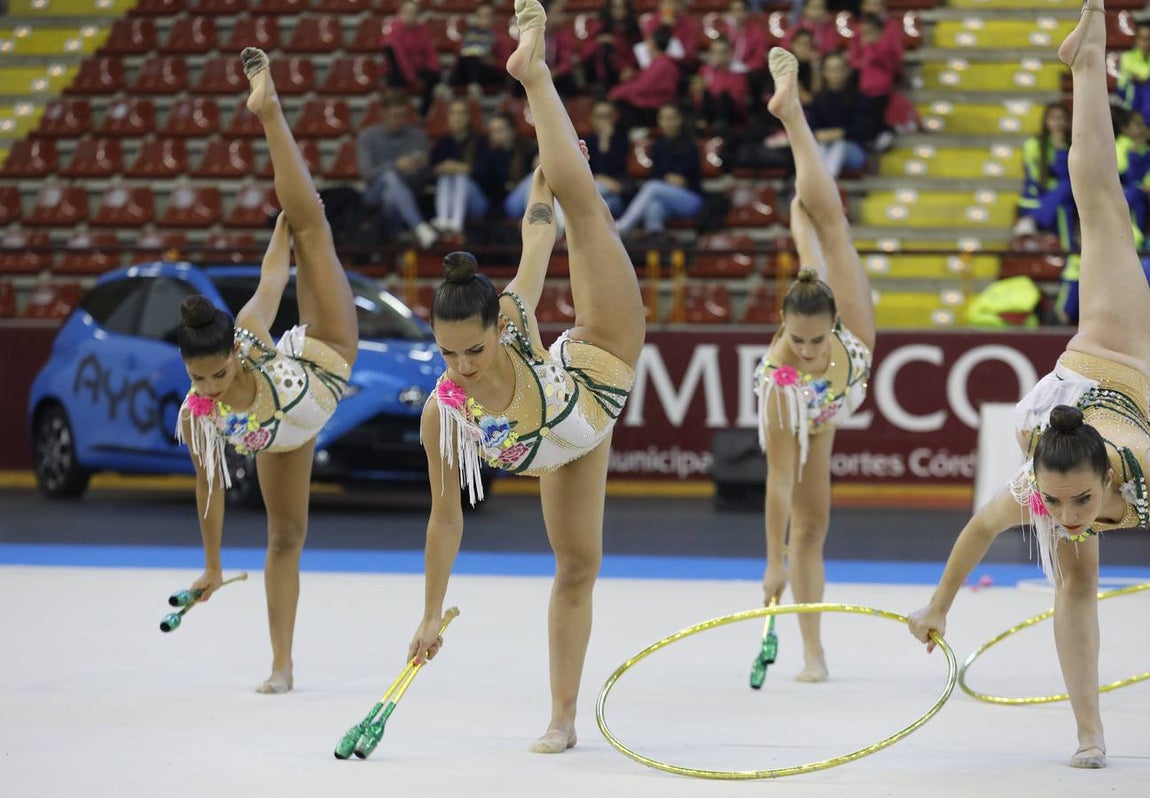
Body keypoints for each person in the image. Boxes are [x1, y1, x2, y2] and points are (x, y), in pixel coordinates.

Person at [908, 3, 1150, 770]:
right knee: (1074, 583)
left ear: (1107, 478)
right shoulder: (1044, 492)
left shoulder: (1131, 468)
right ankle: (1090, 733)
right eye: (1055, 503)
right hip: (1088, 399)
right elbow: (978, 531)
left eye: (1076, 502)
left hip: (1115, 349)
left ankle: (1088, 61)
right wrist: (937, 607)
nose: (1067, 517)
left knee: (1102, 204)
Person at [407, 0, 645, 754]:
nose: (462, 367)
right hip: (567, 447)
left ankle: (533, 73)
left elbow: (538, 242)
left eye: (473, 352)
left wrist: (544, 186)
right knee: (576, 570)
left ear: (492, 331)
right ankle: (563, 718)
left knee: (583, 207)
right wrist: (430, 612)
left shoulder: (509, 315)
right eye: (448, 355)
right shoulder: (442, 414)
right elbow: (445, 519)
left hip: (602, 360)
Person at [176, 48, 359, 694]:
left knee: (312, 226)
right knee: (285, 536)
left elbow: (272, 279)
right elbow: (210, 490)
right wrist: (211, 565)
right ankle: (282, 666)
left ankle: (269, 109)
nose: (208, 388)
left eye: (216, 376)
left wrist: (285, 231)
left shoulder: (249, 334)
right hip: (286, 435)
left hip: (325, 356)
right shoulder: (198, 415)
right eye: (198, 379)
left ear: (232, 354)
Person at [755, 47, 876, 683]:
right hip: (812, 421)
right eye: (796, 340)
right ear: (783, 327)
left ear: (827, 323)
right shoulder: (779, 381)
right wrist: (771, 559)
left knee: (831, 223)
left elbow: (807, 221)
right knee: (807, 530)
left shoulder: (829, 313)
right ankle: (813, 652)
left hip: (853, 355)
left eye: (812, 340)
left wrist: (804, 205)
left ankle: (793, 113)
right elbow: (778, 477)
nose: (804, 351)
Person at [357, 91, 438, 249]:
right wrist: (396, 166)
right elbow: (367, 175)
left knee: (391, 195)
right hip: (375, 194)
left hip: (408, 191)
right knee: (390, 177)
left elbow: (424, 180)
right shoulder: (366, 136)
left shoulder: (417, 136)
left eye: (403, 116)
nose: (400, 120)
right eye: (395, 116)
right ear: (383, 114)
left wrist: (420, 167)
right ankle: (419, 226)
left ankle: (395, 238)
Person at [614, 103, 704, 236]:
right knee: (654, 207)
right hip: (665, 197)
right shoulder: (658, 146)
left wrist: (669, 180)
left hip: (691, 199)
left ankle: (623, 225)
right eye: (664, 118)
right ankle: (656, 242)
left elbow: (684, 180)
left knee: (653, 187)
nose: (668, 122)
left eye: (671, 118)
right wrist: (668, 180)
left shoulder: (690, 145)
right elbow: (658, 175)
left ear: (679, 120)